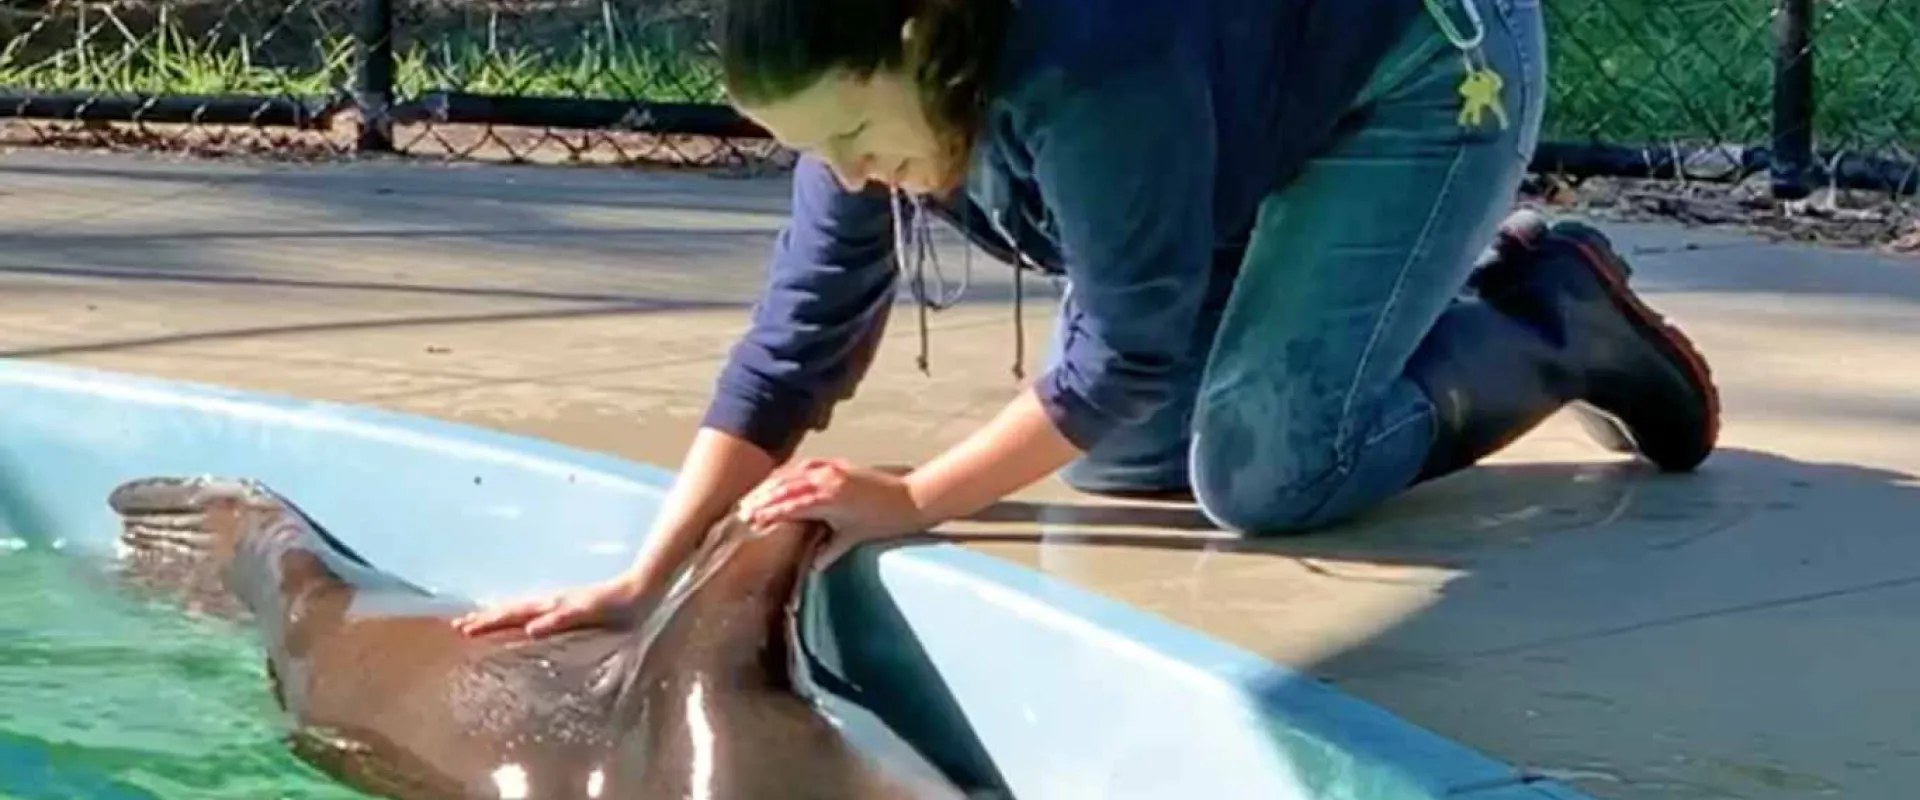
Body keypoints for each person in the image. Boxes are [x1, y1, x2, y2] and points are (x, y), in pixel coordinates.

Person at [454, 0, 1718, 638]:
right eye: (807, 152)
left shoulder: (1084, 69)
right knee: (1120, 453)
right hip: (1244, 88)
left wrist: (915, 495)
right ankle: (1368, 292)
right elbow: (796, 340)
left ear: (922, 47)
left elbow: (1124, 346)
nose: (840, 175)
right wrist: (643, 576)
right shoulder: (865, 105)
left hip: (1425, 62)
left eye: (847, 138)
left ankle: (1549, 315)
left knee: (1265, 467)